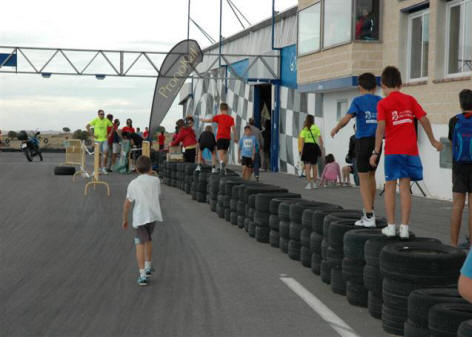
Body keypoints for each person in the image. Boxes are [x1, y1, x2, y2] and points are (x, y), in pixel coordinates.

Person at [370, 66, 443, 239]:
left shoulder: (383, 103)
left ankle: (390, 226)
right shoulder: (410, 99)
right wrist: (433, 141)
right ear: (401, 84)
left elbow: (380, 128)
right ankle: (404, 228)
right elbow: (424, 119)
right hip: (410, 150)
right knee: (404, 188)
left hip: (393, 151)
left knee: (390, 186)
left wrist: (375, 151)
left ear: (384, 85)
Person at [331, 73, 382, 227]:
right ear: (375, 87)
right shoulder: (381, 101)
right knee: (372, 176)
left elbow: (347, 118)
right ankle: (370, 209)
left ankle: (368, 216)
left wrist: (336, 128)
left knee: (363, 178)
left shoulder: (358, 101)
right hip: (378, 143)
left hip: (363, 142)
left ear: (360, 87)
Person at [122, 156, 163, 286]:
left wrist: (124, 218)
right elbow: (157, 192)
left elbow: (127, 204)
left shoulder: (133, 183)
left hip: (140, 217)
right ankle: (148, 265)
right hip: (153, 216)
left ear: (136, 169)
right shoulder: (156, 181)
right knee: (148, 239)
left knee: (139, 243)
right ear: (151, 168)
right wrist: (152, 173)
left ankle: (142, 274)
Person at [448, 89, 472, 248]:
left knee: (457, 205)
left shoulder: (454, 120)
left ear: (460, 104)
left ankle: (453, 245)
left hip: (459, 167)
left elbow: (452, 143)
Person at [200, 103, 237, 173]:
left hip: (220, 137)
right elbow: (234, 128)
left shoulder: (219, 117)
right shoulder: (231, 118)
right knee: (225, 153)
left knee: (220, 154)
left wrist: (203, 120)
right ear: (227, 109)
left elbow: (210, 120)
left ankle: (222, 164)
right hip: (227, 138)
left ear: (220, 109)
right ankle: (224, 166)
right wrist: (235, 137)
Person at [300, 115, 324, 189]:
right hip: (314, 147)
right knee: (314, 166)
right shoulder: (316, 128)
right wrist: (321, 149)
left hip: (307, 147)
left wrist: (302, 152)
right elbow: (321, 141)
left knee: (307, 166)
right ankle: (314, 183)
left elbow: (302, 142)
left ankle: (309, 184)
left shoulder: (304, 129)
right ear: (313, 120)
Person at [86, 109, 113, 175]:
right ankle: (97, 169)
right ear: (98, 115)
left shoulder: (106, 120)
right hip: (97, 140)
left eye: (103, 114)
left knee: (105, 153)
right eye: (101, 114)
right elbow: (87, 126)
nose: (102, 115)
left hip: (104, 140)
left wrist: (110, 134)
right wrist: (92, 134)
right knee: (98, 155)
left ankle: (103, 168)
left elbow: (112, 126)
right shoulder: (95, 120)